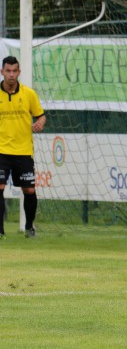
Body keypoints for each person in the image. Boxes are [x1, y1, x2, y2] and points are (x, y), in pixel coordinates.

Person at [0, 56, 46, 239]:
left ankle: (29, 227)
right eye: (8, 71)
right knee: (0, 187)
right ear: (2, 72)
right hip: (1, 151)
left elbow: (41, 116)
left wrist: (40, 123)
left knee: (29, 190)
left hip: (23, 151)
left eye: (14, 71)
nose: (11, 75)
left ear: (19, 73)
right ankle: (0, 231)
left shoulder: (28, 94)